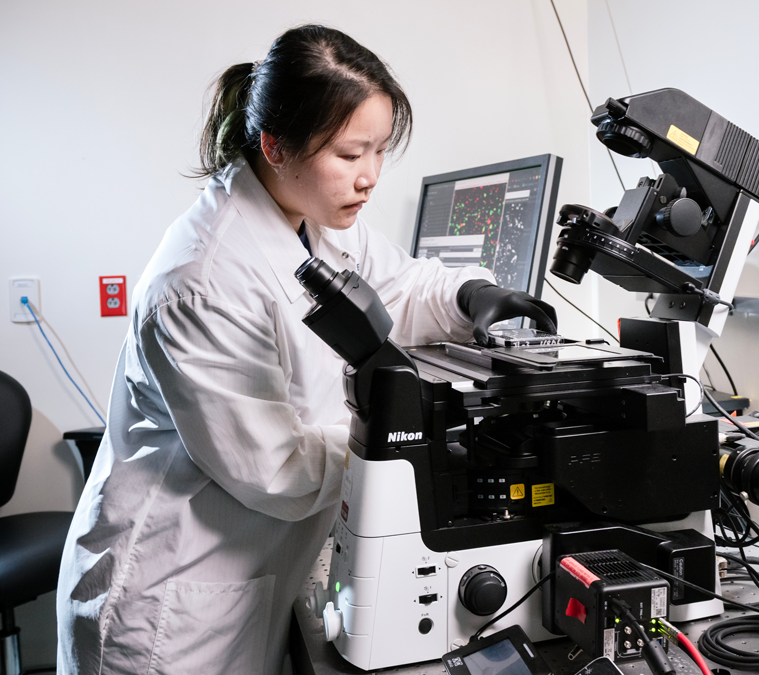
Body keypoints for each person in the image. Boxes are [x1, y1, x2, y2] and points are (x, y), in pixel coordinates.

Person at [56, 25, 555, 674]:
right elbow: (278, 468)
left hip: (252, 577)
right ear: (276, 145)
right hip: (171, 608)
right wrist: (428, 439)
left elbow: (401, 288)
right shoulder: (201, 282)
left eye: (378, 151)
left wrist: (473, 296)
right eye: (351, 153)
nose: (370, 176)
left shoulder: (313, 217)